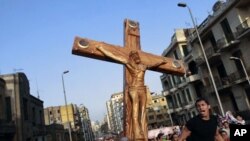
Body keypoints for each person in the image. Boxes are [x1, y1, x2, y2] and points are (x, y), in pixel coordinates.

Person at [97, 46, 167, 139]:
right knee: (135, 108)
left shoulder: (144, 66)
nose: (137, 58)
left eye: (138, 56)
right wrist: (101, 49)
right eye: (135, 56)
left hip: (142, 89)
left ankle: (142, 131)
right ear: (132, 58)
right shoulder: (129, 64)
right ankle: (137, 132)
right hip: (133, 89)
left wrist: (162, 61)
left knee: (142, 112)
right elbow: (114, 56)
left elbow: (155, 63)